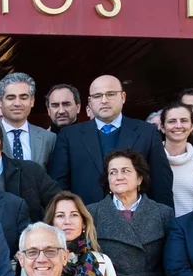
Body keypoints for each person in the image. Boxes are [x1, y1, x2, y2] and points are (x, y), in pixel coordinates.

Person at [47, 75, 163, 205]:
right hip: (85, 218)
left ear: (123, 97)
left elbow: (161, 184)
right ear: (90, 102)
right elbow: (59, 185)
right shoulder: (69, 136)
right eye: (97, 96)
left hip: (137, 220)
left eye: (111, 94)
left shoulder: (147, 132)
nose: (104, 100)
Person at [152, 101, 193, 215]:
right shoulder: (151, 160)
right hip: (160, 229)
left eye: (184, 121)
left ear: (191, 126)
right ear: (162, 127)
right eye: (172, 121)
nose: (178, 125)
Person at [0, 72, 56, 168]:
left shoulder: (48, 139)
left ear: (32, 101)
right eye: (11, 98)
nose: (17, 103)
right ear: (0, 102)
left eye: (23, 98)